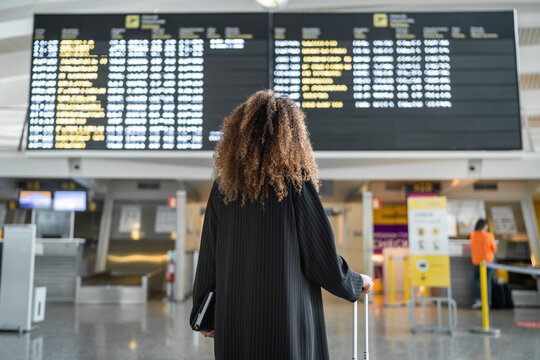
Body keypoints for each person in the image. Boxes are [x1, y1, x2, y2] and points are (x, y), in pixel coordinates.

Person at [190, 90, 373, 360]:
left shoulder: (223, 188)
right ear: (293, 138)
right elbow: (320, 258)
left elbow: (209, 257)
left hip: (236, 322)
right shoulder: (295, 183)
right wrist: (356, 282)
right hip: (288, 320)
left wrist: (203, 314)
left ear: (239, 137)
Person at [470, 219, 497, 309]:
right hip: (488, 262)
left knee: (477, 281)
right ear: (485, 226)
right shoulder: (489, 236)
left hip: (477, 261)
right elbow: (494, 249)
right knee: (487, 281)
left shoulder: (472, 235)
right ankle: (487, 302)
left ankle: (478, 301)